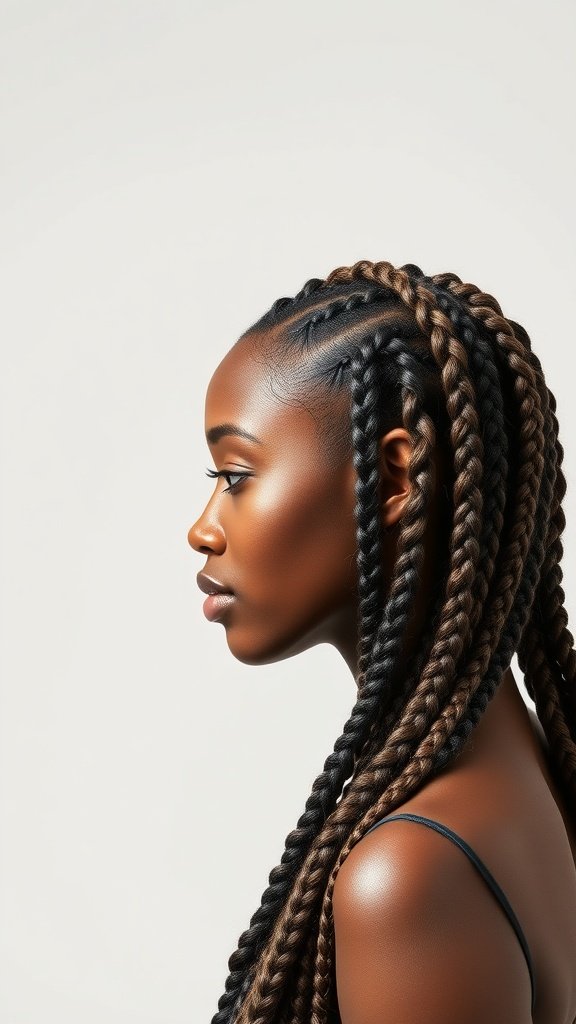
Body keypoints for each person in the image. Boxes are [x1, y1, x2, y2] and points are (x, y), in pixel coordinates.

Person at [187, 259, 576, 1024]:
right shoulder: (531, 757)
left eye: (235, 476)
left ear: (394, 474)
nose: (202, 527)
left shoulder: (409, 875)